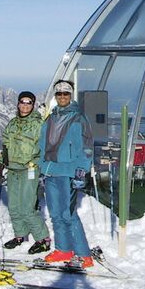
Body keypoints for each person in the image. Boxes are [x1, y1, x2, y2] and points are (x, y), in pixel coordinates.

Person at [38, 79, 95, 267]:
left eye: (66, 93)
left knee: (69, 214)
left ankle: (83, 254)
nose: (62, 97)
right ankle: (63, 249)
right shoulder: (51, 118)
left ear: (71, 96)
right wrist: (41, 167)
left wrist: (81, 171)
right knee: (55, 214)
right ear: (55, 96)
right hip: (50, 171)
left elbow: (87, 147)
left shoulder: (79, 119)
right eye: (59, 93)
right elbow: (42, 145)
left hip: (69, 171)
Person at [0, 91, 51, 254]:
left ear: (33, 104)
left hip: (29, 168)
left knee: (27, 207)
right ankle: (20, 234)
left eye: (28, 102)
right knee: (14, 206)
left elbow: (45, 148)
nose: (25, 105)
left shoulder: (38, 124)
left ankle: (43, 239)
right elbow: (6, 146)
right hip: (13, 168)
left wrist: (36, 163)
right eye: (22, 102)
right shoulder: (12, 123)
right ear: (17, 104)